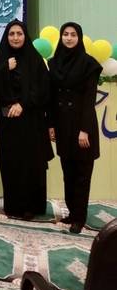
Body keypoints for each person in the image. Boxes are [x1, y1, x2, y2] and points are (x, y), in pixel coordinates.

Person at [0, 20, 53, 220]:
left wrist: (23, 104)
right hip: (9, 122)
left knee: (31, 163)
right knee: (11, 162)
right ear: (6, 37)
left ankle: (31, 206)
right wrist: (5, 68)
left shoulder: (35, 59)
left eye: (19, 33)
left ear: (25, 36)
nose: (15, 37)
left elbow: (43, 88)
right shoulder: (2, 58)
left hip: (31, 121)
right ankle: (14, 205)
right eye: (11, 34)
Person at [48, 22, 102, 234]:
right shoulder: (54, 63)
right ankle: (72, 212)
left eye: (73, 35)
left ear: (79, 38)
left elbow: (89, 99)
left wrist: (84, 130)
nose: (69, 38)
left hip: (82, 127)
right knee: (68, 173)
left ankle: (80, 217)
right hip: (63, 126)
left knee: (82, 175)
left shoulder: (89, 64)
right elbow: (52, 98)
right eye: (65, 34)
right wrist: (51, 124)